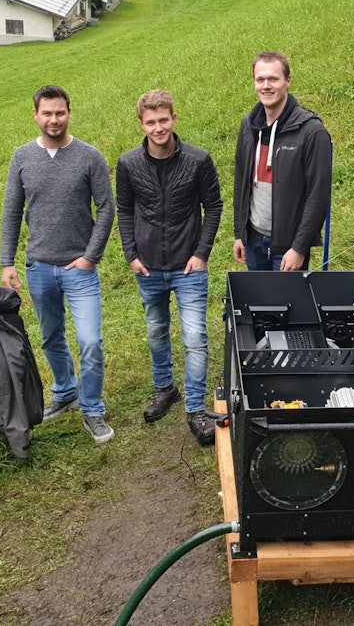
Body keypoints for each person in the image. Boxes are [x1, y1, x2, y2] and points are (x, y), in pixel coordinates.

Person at [0, 85, 116, 443]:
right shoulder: (22, 157)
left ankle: (92, 409)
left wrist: (90, 256)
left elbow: (107, 208)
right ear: (36, 115)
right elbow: (12, 212)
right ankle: (65, 391)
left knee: (90, 340)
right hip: (39, 268)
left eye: (60, 112)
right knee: (52, 337)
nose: (54, 119)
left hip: (79, 269)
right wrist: (7, 261)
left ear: (69, 113)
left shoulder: (89, 156)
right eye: (47, 113)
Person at [115, 89, 223, 446]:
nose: (158, 128)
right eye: (151, 122)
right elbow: (124, 209)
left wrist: (202, 253)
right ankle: (165, 388)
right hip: (148, 266)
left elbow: (214, 206)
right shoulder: (128, 164)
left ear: (174, 119)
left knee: (194, 337)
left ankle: (195, 408)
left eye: (164, 120)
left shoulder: (198, 160)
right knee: (157, 330)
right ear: (141, 124)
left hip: (189, 266)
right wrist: (131, 254)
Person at [233, 51, 332, 271]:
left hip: (289, 247)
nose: (266, 86)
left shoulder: (312, 132)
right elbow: (241, 181)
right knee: (258, 295)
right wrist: (240, 233)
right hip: (253, 240)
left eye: (273, 79)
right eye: (260, 79)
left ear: (288, 81)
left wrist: (299, 248)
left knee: (288, 295)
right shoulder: (249, 127)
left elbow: (319, 194)